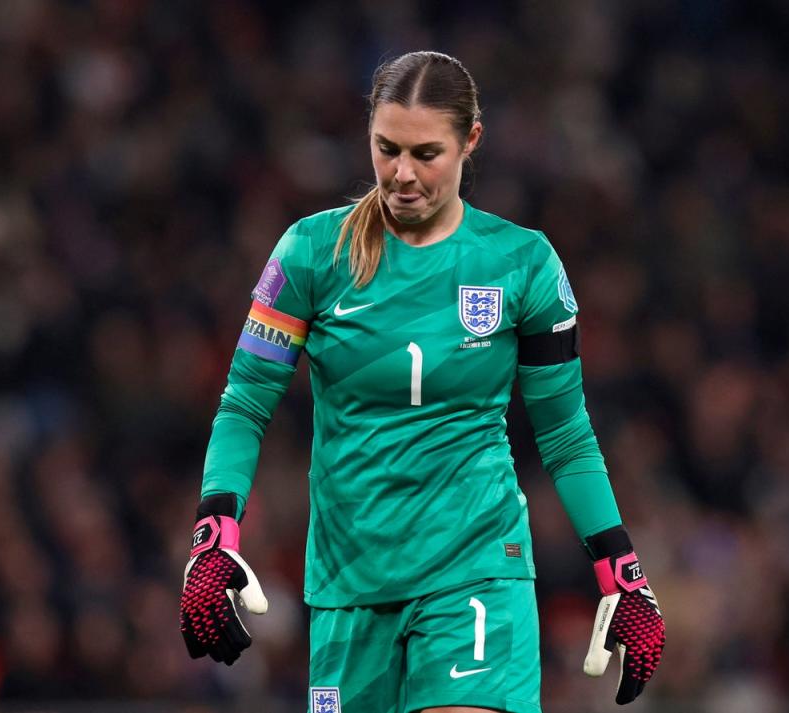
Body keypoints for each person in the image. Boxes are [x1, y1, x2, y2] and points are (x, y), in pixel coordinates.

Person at [179, 51, 665, 713]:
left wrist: (622, 573)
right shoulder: (310, 255)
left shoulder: (522, 264)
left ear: (471, 141)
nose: (403, 174)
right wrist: (214, 534)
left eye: (426, 153)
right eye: (387, 149)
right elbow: (246, 400)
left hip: (476, 565)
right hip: (350, 582)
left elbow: (565, 433)